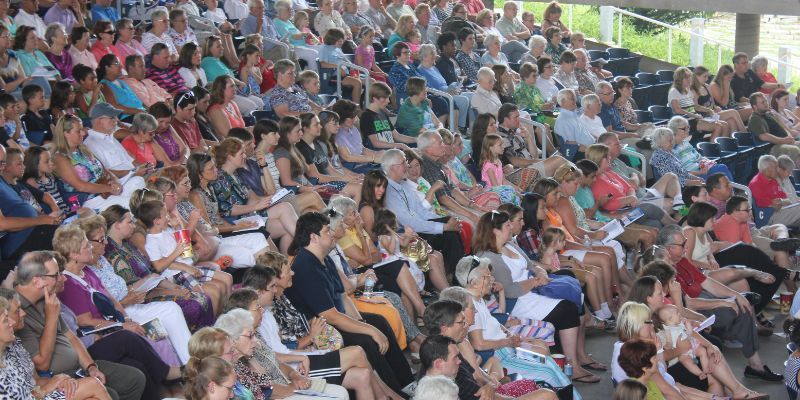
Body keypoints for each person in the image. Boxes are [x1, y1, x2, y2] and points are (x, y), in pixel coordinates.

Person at [283, 211, 415, 394]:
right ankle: (393, 392)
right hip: (323, 330)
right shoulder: (305, 266)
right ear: (313, 237)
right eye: (327, 231)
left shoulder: (325, 258)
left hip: (337, 318)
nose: (332, 234)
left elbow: (342, 295)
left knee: (378, 321)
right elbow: (330, 316)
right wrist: (370, 330)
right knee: (367, 339)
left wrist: (362, 322)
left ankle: (407, 383)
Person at [473, 210, 603, 383]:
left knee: (569, 279)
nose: (511, 227)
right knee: (568, 309)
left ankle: (581, 355)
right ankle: (574, 366)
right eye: (506, 225)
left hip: (531, 290)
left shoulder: (510, 244)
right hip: (518, 301)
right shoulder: (489, 258)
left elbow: (530, 263)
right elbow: (510, 290)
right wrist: (536, 282)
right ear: (494, 231)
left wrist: (540, 272)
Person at [654, 226, 784, 382]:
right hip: (690, 311)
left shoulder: (681, 261)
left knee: (743, 305)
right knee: (735, 311)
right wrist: (724, 302)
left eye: (686, 241)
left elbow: (707, 282)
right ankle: (732, 337)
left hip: (703, 299)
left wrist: (734, 296)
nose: (687, 246)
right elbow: (687, 304)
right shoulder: (663, 271)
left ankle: (755, 364)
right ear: (669, 248)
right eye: (683, 244)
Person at [14, 251, 148, 400]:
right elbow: (42, 364)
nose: (61, 279)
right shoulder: (16, 312)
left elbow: (70, 337)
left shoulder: (44, 298)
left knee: (134, 378)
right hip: (56, 377)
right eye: (55, 275)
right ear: (37, 281)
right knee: (111, 393)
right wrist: (51, 317)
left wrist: (91, 367)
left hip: (78, 367)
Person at [422, 304, 560, 399]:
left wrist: (490, 385)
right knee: (547, 394)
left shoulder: (446, 350)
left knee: (543, 387)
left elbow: (478, 382)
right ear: (445, 329)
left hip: (494, 389)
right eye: (461, 323)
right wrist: (495, 389)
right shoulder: (448, 365)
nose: (466, 326)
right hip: (497, 392)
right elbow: (480, 390)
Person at [53, 114, 144, 211]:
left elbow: (105, 170)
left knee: (138, 181)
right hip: (90, 200)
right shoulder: (60, 157)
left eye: (82, 129)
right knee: (133, 204)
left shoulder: (83, 149)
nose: (83, 133)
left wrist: (115, 183)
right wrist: (108, 188)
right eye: (78, 131)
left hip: (107, 190)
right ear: (66, 134)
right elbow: (80, 186)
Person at [669, 67, 728, 141]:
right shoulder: (674, 91)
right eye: (686, 78)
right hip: (685, 121)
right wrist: (694, 115)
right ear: (679, 79)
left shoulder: (687, 91)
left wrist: (709, 110)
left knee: (724, 125)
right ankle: (712, 149)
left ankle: (721, 146)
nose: (689, 79)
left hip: (695, 119)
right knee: (718, 126)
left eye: (689, 77)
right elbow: (677, 110)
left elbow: (695, 107)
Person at [668, 116, 733, 181]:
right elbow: (680, 172)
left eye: (688, 127)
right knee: (720, 171)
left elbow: (699, 157)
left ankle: (730, 189)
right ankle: (731, 189)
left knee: (721, 167)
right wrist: (700, 172)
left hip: (701, 170)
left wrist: (709, 162)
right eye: (684, 129)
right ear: (674, 130)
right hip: (694, 177)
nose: (687, 130)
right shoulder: (672, 148)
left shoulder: (685, 143)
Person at [749, 154, 800, 227]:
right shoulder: (756, 184)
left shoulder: (773, 180)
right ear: (767, 169)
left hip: (782, 211)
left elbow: (785, 200)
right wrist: (781, 202)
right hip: (769, 217)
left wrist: (782, 201)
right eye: (776, 167)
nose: (778, 169)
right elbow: (772, 206)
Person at [749, 91, 800, 164]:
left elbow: (783, 127)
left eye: (766, 101)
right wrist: (783, 140)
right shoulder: (755, 119)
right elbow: (764, 136)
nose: (766, 103)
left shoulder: (768, 114)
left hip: (783, 142)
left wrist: (788, 137)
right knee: (794, 150)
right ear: (755, 106)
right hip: (771, 148)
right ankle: (794, 174)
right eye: (762, 102)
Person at [554, 88, 595, 155]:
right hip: (585, 154)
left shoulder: (572, 114)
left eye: (575, 98)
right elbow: (571, 146)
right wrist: (592, 151)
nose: (575, 100)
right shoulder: (564, 121)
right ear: (563, 102)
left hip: (592, 147)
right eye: (572, 98)